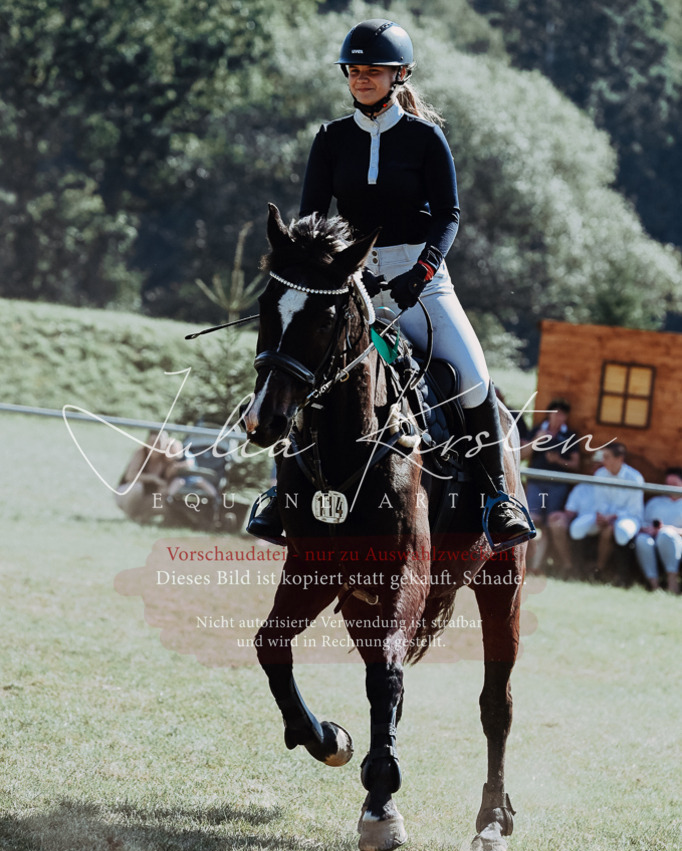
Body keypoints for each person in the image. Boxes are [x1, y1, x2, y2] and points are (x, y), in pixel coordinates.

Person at [248, 18, 534, 549]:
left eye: (372, 71)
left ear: (399, 75)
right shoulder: (331, 138)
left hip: (421, 281)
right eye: (354, 70)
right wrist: (311, 273)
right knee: (303, 368)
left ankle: (499, 498)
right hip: (346, 279)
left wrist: (418, 275)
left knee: (473, 376)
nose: (361, 78)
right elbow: (312, 217)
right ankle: (277, 493)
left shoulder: (425, 138)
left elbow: (448, 216)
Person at [548, 442, 644, 580]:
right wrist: (602, 515)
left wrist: (613, 517)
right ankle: (577, 569)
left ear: (619, 459)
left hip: (627, 517)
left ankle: (622, 574)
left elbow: (634, 509)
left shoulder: (635, 478)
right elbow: (600, 501)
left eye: (606, 457)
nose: (603, 461)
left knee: (622, 533)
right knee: (577, 528)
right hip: (605, 516)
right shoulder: (600, 474)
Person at [520, 398, 580, 571]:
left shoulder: (569, 436)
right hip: (535, 484)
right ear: (549, 414)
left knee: (551, 525)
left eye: (563, 415)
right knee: (532, 522)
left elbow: (575, 465)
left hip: (558, 486)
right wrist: (537, 440)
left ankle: (562, 565)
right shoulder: (537, 431)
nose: (559, 418)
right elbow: (522, 455)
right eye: (556, 413)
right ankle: (529, 564)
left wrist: (559, 460)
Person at [115, 430, 187, 523]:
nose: (155, 446)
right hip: (126, 493)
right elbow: (130, 476)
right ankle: (131, 517)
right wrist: (153, 478)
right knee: (137, 487)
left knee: (165, 503)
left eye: (159, 443)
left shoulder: (166, 459)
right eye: (152, 442)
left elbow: (183, 460)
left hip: (148, 496)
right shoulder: (141, 452)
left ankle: (143, 516)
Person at [634, 467, 682, 593]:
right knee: (642, 540)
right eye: (668, 484)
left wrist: (671, 529)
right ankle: (654, 586)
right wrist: (649, 530)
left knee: (666, 534)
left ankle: (672, 582)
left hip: (675, 540)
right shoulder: (655, 502)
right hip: (653, 539)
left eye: (674, 484)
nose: (670, 487)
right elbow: (641, 524)